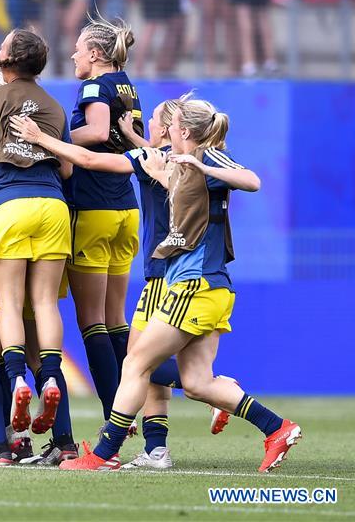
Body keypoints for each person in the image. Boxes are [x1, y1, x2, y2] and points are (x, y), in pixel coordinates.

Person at [62, 97, 302, 473]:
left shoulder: (209, 157)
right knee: (196, 382)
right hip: (205, 287)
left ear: (185, 131)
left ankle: (104, 452)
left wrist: (202, 164)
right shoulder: (174, 161)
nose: (165, 130)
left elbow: (252, 181)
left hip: (197, 285)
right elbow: (177, 187)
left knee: (137, 363)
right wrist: (161, 168)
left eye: (170, 125)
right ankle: (277, 428)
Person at [12, 95, 242, 469]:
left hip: (168, 274)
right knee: (139, 362)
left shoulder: (163, 161)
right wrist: (132, 136)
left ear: (170, 128)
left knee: (138, 362)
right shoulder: (171, 157)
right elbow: (153, 154)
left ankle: (210, 397)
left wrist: (42, 137)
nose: (145, 124)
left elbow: (87, 159)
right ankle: (160, 445)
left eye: (150, 120)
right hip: (167, 270)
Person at [0, 29, 76, 464]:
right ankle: (50, 375)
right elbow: (68, 168)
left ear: (8, 59)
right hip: (52, 205)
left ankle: (17, 381)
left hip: (8, 204)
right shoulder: (53, 104)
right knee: (46, 304)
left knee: (11, 307)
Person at [63, 16, 141, 426]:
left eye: (78, 48)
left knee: (91, 320)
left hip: (95, 208)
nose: (73, 54)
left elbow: (95, 132)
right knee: (116, 319)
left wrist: (52, 135)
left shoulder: (94, 85)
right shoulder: (126, 84)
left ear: (94, 54)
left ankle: (116, 419)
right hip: (126, 208)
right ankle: (128, 412)